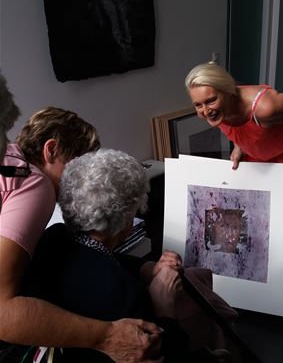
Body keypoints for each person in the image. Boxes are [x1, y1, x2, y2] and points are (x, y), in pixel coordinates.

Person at [22, 148, 229, 363]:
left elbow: (98, 257)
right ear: (125, 217)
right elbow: (173, 353)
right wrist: (163, 304)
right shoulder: (123, 294)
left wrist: (145, 267)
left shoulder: (54, 237)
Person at [0, 105, 163, 362]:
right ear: (51, 150)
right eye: (76, 166)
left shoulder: (8, 158)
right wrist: (107, 336)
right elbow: (2, 312)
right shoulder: (35, 185)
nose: (79, 181)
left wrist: (140, 267)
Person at [185, 62, 283, 175]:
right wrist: (238, 147)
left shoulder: (264, 108)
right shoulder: (217, 110)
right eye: (198, 105)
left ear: (228, 92)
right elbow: (237, 128)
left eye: (211, 101)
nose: (206, 112)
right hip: (254, 160)